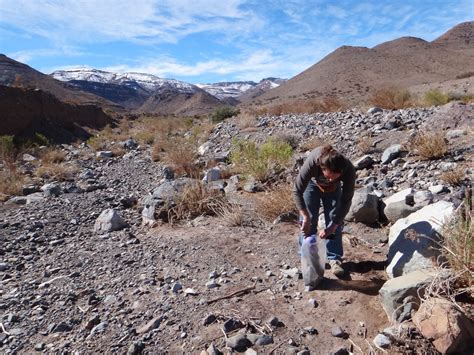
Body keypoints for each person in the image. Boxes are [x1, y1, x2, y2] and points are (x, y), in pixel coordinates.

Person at [293, 144, 356, 278]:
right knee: (308, 221)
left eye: (335, 176)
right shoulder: (313, 164)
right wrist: (305, 216)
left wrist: (333, 226)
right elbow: (297, 190)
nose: (331, 179)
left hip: (334, 190)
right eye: (329, 176)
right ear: (323, 168)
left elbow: (346, 201)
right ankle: (308, 259)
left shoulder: (348, 169)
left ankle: (334, 259)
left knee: (334, 219)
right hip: (312, 185)